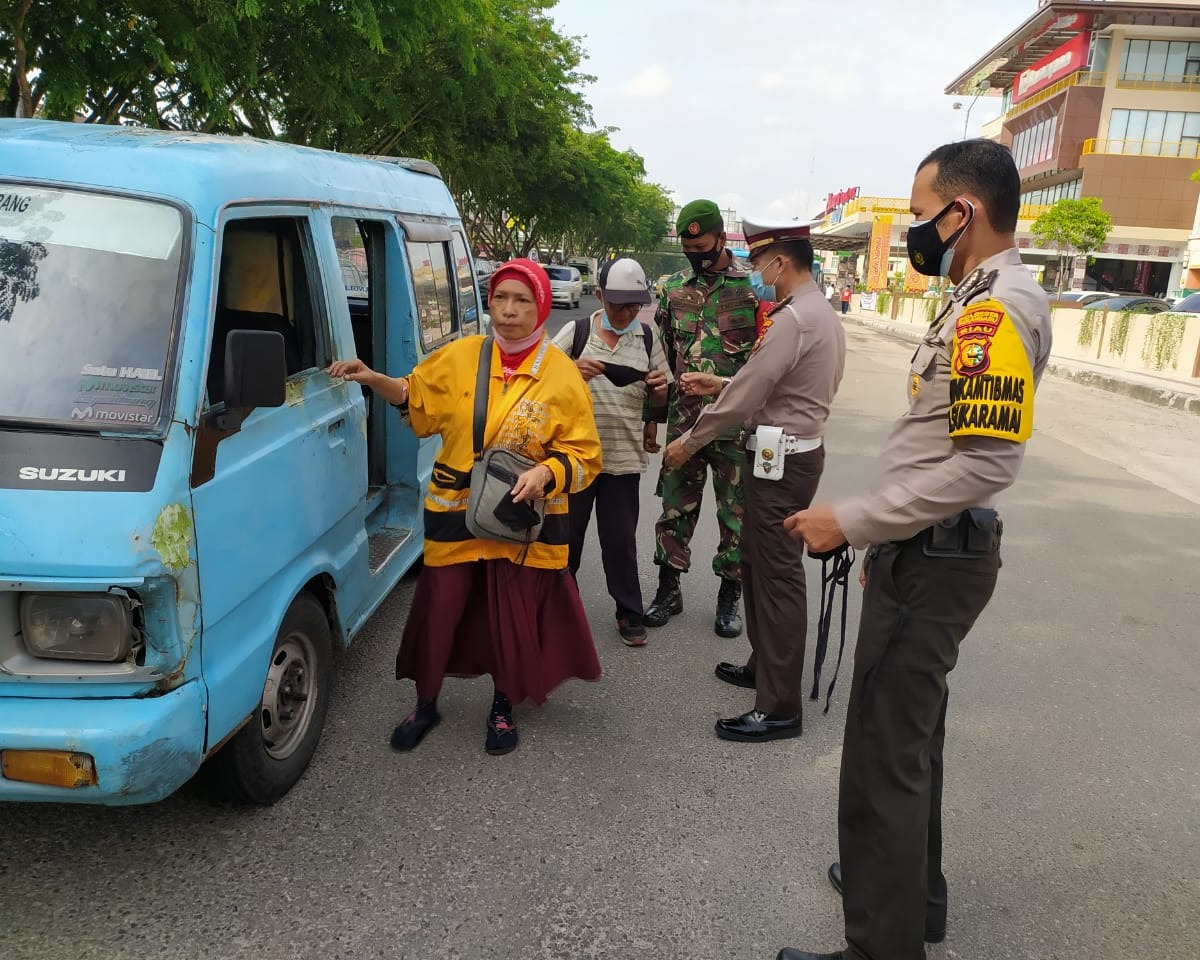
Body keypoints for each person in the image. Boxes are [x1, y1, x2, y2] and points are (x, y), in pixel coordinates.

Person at [776, 139, 1052, 960]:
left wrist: (857, 521)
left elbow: (986, 464)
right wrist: (884, 536)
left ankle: (882, 945)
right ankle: (905, 896)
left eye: (923, 214)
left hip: (936, 557)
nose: (914, 233)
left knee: (883, 754)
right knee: (911, 741)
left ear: (963, 212)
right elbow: (938, 448)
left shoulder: (993, 310)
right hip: (926, 551)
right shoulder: (977, 297)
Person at [327, 259, 603, 757]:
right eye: (501, 298)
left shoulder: (562, 376)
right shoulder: (460, 356)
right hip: (454, 511)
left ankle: (503, 705)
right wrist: (374, 378)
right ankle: (425, 702)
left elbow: (585, 456)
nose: (509, 311)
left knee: (509, 618)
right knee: (439, 610)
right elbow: (415, 399)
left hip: (517, 519)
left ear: (541, 306)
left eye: (522, 300)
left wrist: (546, 473)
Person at [663, 219, 845, 742]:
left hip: (781, 463)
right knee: (757, 564)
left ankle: (780, 706)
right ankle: (763, 667)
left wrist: (689, 441)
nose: (757, 273)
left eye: (761, 263)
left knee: (777, 578)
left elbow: (751, 394)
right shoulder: (816, 313)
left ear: (781, 262)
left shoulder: (795, 319)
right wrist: (721, 381)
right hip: (782, 457)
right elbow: (777, 384)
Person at [647, 198, 759, 638]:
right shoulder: (672, 289)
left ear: (721, 238)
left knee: (736, 517)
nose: (695, 254)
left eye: (702, 246)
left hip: (735, 427)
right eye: (688, 248)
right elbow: (660, 360)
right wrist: (653, 418)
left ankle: (729, 598)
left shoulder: (752, 289)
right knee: (675, 509)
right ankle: (667, 590)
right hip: (684, 423)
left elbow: (766, 361)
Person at [552, 257, 673, 646]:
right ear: (600, 296)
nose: (627, 313)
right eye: (619, 305)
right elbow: (539, 377)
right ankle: (559, 611)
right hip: (573, 459)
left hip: (622, 459)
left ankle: (628, 612)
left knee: (620, 542)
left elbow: (661, 392)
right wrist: (571, 369)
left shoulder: (647, 336)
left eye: (635, 305)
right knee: (566, 539)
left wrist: (658, 398)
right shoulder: (577, 331)